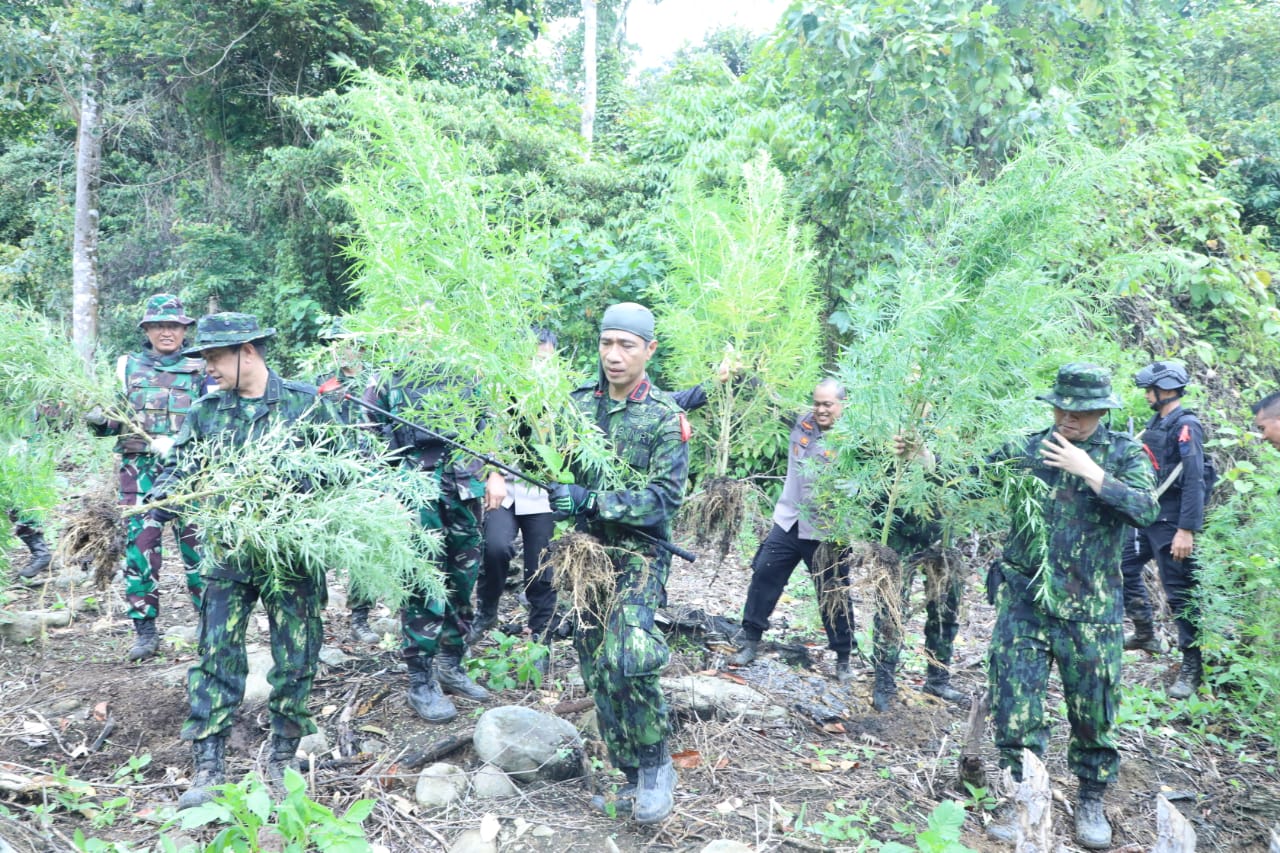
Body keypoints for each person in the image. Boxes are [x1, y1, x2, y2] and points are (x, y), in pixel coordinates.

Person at [149, 313, 345, 810]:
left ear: (248, 352)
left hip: (291, 554)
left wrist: (304, 492)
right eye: (206, 358)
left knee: (297, 657)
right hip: (230, 553)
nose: (207, 367)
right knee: (217, 656)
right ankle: (209, 763)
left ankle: (282, 755)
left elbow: (347, 466)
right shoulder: (207, 410)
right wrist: (165, 496)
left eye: (214, 357)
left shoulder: (306, 404)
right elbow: (180, 466)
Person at [982, 364, 1157, 849]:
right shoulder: (1026, 448)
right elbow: (968, 480)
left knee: (1093, 713)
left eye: (1080, 412)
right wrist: (924, 456)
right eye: (1061, 408)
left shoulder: (1124, 453)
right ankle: (1023, 801)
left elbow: (1147, 509)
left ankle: (1090, 799)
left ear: (1102, 410)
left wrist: (1092, 472)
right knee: (1015, 709)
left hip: (1092, 609)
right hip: (1025, 602)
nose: (1068, 419)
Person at [551, 302, 690, 825]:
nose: (613, 355)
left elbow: (662, 500)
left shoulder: (665, 416)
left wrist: (591, 500)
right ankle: (630, 774)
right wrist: (561, 491)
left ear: (649, 350)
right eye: (607, 343)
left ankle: (657, 765)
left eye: (626, 345)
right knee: (595, 664)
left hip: (639, 551)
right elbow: (551, 461)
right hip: (585, 554)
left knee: (629, 653)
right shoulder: (576, 406)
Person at [363, 365, 505, 723]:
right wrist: (387, 487)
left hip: (462, 486)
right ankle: (420, 680)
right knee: (421, 582)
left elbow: (491, 424)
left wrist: (495, 471)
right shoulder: (387, 377)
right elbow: (368, 432)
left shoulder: (468, 369)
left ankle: (450, 664)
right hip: (413, 490)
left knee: (463, 578)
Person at [87, 294, 206, 660]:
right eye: (159, 326)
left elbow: (216, 419)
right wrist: (97, 418)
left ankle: (208, 621)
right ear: (147, 330)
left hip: (190, 469)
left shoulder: (203, 367)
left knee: (199, 546)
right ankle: (145, 630)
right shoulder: (127, 368)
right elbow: (108, 420)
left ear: (184, 330)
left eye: (174, 326)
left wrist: (186, 444)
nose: (166, 332)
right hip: (139, 472)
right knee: (141, 549)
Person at [727, 379, 857, 683]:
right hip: (789, 520)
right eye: (817, 403)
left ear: (843, 405)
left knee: (833, 594)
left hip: (828, 530)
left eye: (828, 404)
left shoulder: (855, 438)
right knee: (763, 573)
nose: (820, 410)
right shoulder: (802, 422)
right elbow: (771, 399)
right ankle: (750, 641)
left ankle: (843, 659)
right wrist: (744, 375)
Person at [1120, 363, 1213, 701]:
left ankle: (1193, 665)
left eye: (1150, 390)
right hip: (1149, 515)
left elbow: (1194, 480)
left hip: (1173, 521)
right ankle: (1145, 632)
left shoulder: (1187, 425)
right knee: (1125, 565)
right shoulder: (1157, 423)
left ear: (1166, 389)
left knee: (1180, 594)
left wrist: (1186, 529)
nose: (1147, 395)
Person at [312, 319, 381, 646]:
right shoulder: (319, 383)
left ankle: (360, 617)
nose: (343, 348)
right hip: (328, 479)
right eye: (335, 342)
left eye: (349, 341)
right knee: (317, 547)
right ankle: (314, 612)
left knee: (365, 550)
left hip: (369, 476)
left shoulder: (378, 381)